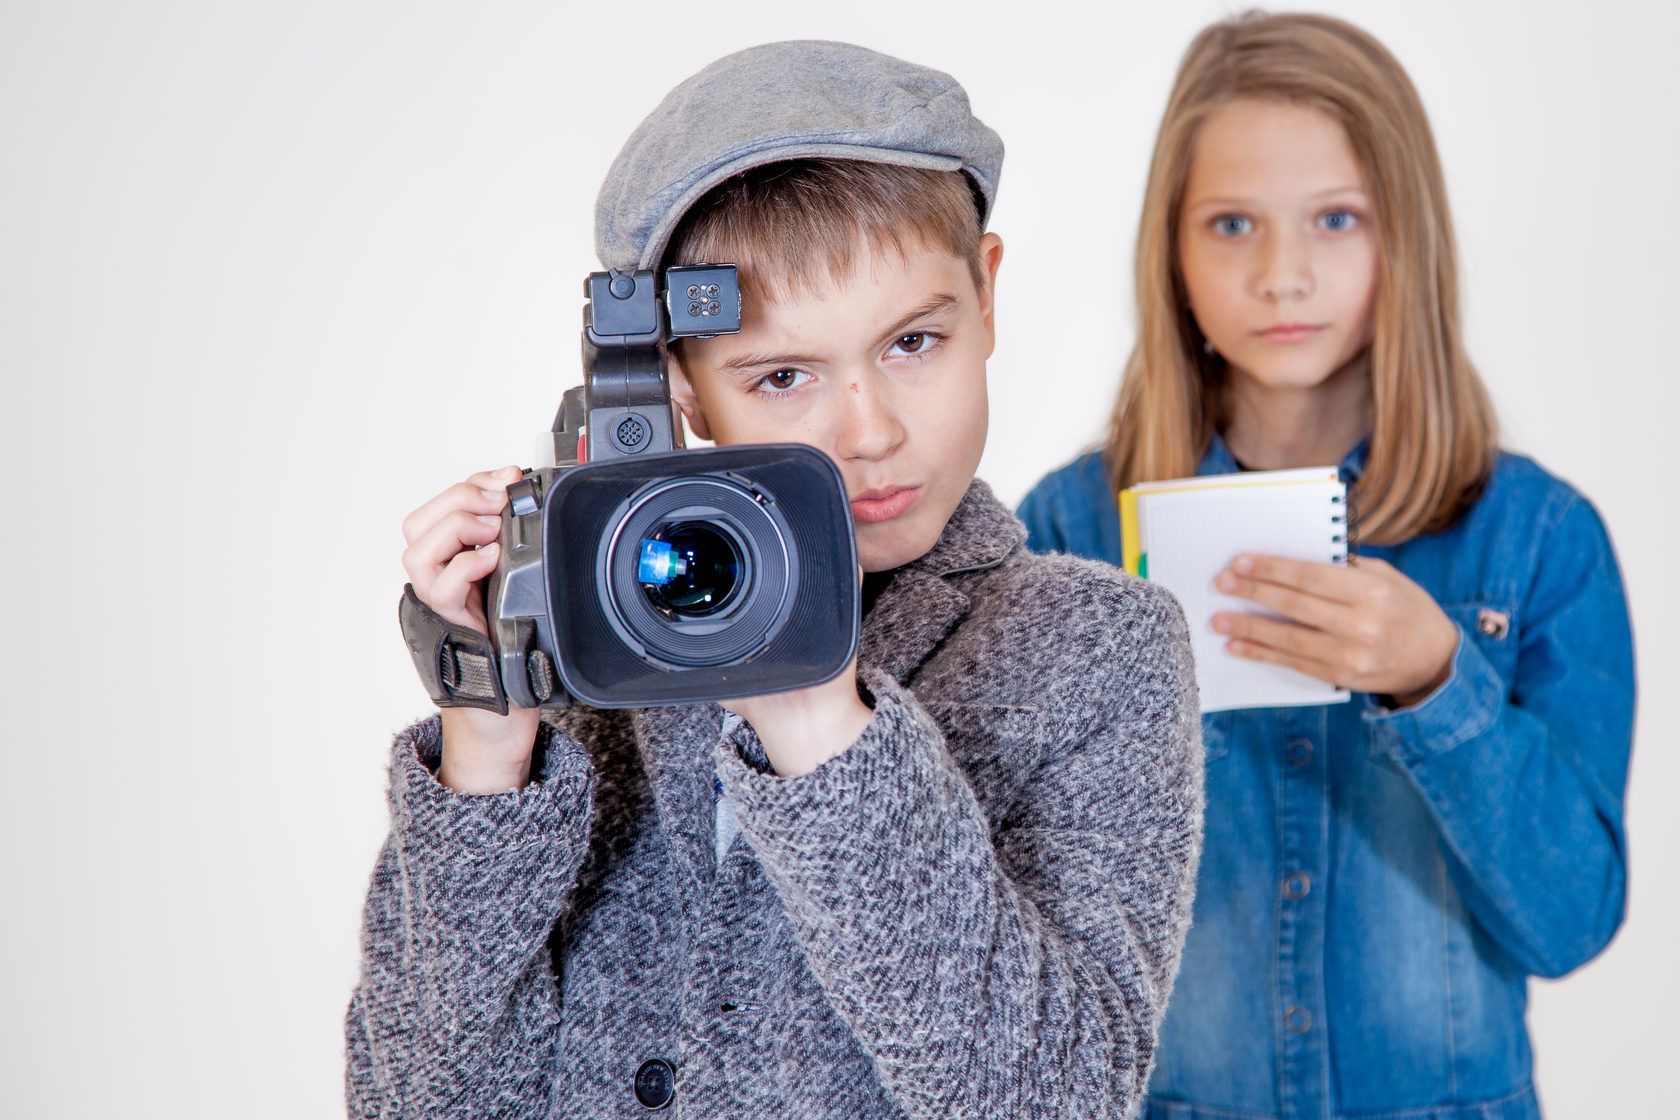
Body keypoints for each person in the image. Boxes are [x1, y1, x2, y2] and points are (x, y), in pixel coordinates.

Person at [346, 40, 1203, 1119]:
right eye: (784, 376)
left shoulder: (1100, 650)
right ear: (681, 388)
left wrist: (812, 714)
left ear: (986, 294)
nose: (871, 431)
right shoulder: (590, 632)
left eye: (913, 342)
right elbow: (413, 1102)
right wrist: (488, 742)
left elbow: (1052, 1099)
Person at [1017, 12, 1635, 1120]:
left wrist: (1440, 685)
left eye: (1336, 219)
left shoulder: (1538, 537)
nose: (1282, 275)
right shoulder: (1070, 530)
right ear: (1171, 250)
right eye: (1233, 223)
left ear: (1408, 237)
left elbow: (1570, 921)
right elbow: (1021, 924)